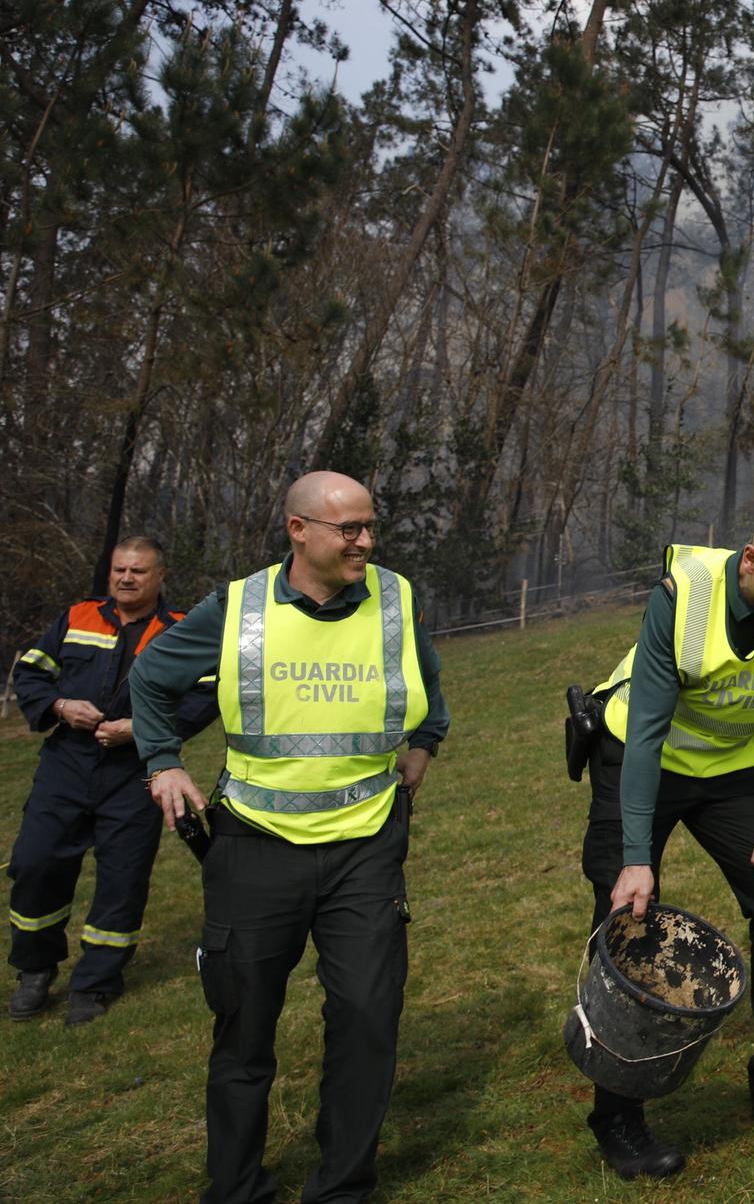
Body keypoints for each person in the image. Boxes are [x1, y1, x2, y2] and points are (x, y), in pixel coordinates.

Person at [130, 471, 450, 1204]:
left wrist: (425, 742)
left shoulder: (396, 598)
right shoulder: (235, 607)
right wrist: (162, 761)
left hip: (366, 846)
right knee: (244, 1031)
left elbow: (430, 686)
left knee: (369, 1020)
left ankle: (342, 1188)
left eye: (371, 526)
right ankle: (237, 1188)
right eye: (350, 530)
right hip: (254, 848)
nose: (366, 541)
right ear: (298, 530)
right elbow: (150, 676)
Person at [583, 508, 754, 1180]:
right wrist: (638, 858)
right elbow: (646, 729)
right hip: (638, 758)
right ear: (750, 561)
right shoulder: (682, 596)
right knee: (631, 919)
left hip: (732, 769)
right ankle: (618, 1115)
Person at [7, 536, 217, 1025]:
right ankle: (35, 970)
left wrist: (141, 729)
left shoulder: (181, 630)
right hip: (66, 763)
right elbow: (33, 674)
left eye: (138, 571)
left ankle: (96, 982)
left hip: (135, 770)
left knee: (122, 878)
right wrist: (60, 706)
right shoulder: (77, 616)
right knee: (36, 862)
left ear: (160, 576)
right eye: (120, 570)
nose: (126, 578)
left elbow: (206, 693)